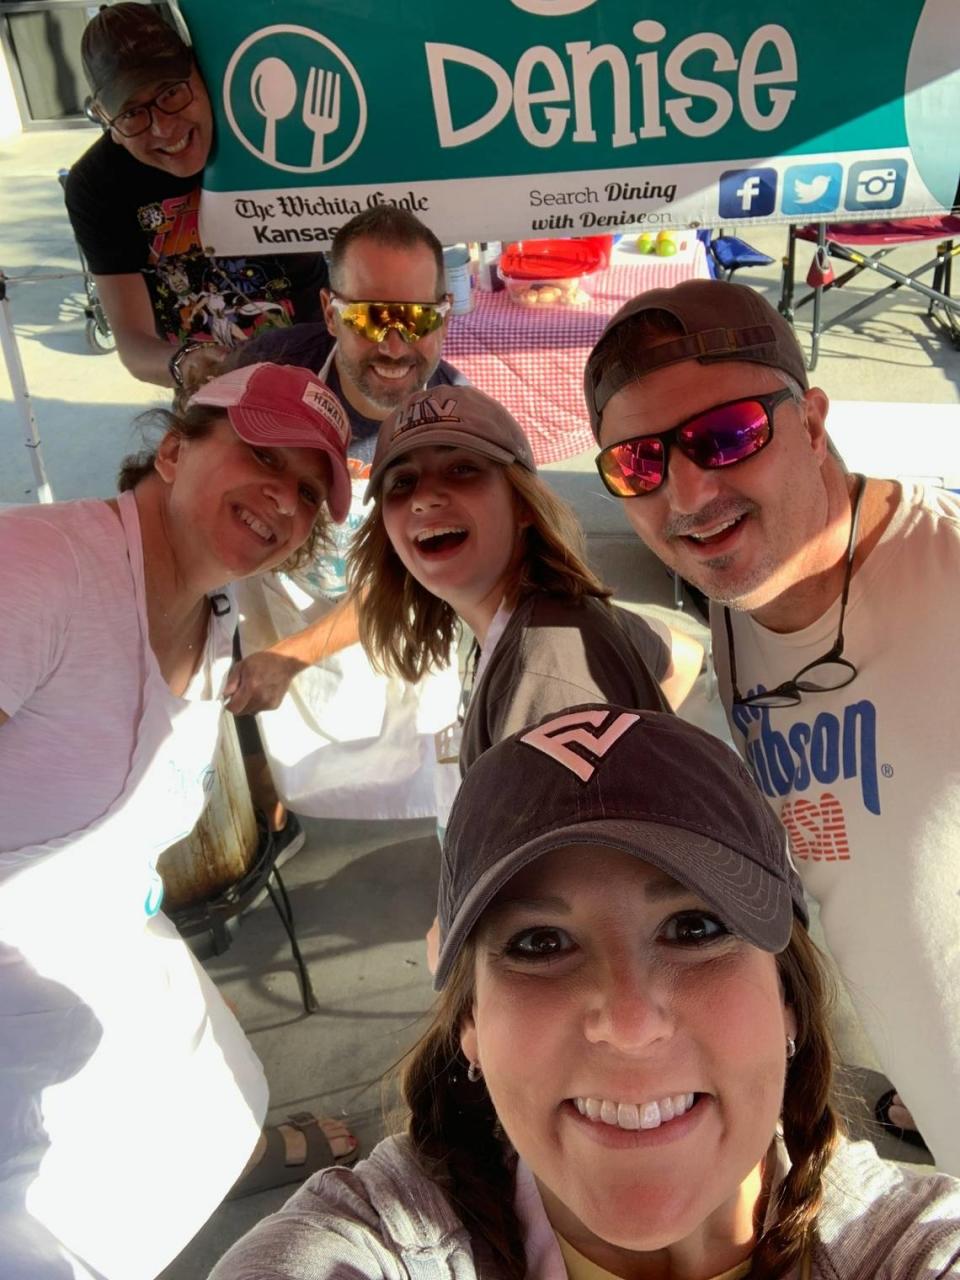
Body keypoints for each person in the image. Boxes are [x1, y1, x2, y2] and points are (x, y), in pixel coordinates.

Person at [209, 704, 960, 1280]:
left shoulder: (911, 1245)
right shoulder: (375, 1244)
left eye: (695, 927)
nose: (629, 1022)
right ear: (469, 1021)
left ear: (787, 996)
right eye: (540, 944)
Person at [583, 278, 960, 1173]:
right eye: (638, 464)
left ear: (814, 422)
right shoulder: (734, 607)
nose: (686, 491)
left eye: (726, 436)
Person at [0, 363, 357, 1279]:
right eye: (260, 455)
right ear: (170, 449)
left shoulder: (219, 614)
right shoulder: (40, 570)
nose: (286, 497)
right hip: (20, 1008)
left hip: (108, 955)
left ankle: (230, 1158)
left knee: (208, 1100)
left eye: (310, 490)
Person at [352, 384, 702, 774]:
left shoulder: (545, 671)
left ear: (523, 504)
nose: (424, 497)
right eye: (402, 482)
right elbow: (683, 655)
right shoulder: (555, 616)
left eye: (461, 469)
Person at [222, 204, 466, 719]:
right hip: (278, 604)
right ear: (331, 312)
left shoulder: (459, 431)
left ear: (445, 313)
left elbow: (409, 577)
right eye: (371, 317)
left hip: (391, 627)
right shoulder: (265, 372)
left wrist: (293, 657)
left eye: (418, 317)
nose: (395, 345)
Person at [64, 3, 328, 390]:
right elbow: (134, 344)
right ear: (109, 123)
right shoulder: (97, 185)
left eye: (171, 92)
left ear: (201, 73)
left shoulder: (265, 128)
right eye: (132, 113)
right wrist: (186, 364)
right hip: (203, 387)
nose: (163, 128)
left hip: (313, 365)